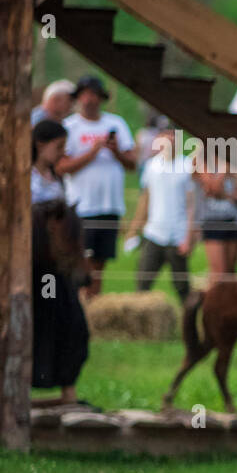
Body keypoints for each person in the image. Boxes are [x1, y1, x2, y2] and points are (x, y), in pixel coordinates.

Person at [60, 74, 137, 299]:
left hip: (109, 205)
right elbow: (62, 166)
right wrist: (92, 152)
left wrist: (114, 151)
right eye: (85, 94)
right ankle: (77, 303)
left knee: (99, 263)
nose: (89, 100)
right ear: (78, 98)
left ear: (101, 98)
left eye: (94, 95)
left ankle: (93, 306)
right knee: (79, 261)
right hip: (81, 206)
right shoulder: (69, 127)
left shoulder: (116, 124)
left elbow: (132, 163)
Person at [30, 120, 90, 405]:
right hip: (35, 268)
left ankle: (68, 389)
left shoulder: (57, 178)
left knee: (72, 321)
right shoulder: (25, 176)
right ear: (41, 145)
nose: (62, 154)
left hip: (57, 267)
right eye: (58, 147)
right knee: (43, 318)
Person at [125, 129, 195, 301]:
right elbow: (145, 200)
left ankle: (188, 323)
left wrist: (189, 237)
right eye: (165, 137)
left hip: (177, 236)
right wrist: (134, 229)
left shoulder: (186, 167)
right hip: (153, 233)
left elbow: (192, 205)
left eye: (172, 137)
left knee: (182, 287)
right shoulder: (151, 166)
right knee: (142, 282)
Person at [187, 166, 237, 277]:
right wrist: (223, 173)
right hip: (212, 222)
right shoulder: (203, 166)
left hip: (232, 221)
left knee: (230, 272)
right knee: (218, 272)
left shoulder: (233, 166)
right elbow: (214, 188)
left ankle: (230, 294)